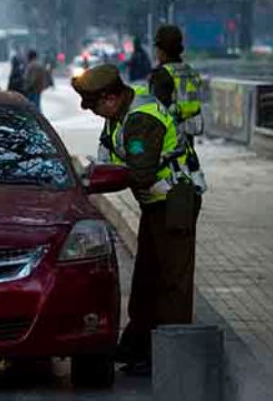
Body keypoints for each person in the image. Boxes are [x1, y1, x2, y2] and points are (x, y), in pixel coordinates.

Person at [72, 64, 200, 376]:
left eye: (95, 105)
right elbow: (110, 159)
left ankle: (171, 358)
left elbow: (139, 174)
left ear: (112, 97)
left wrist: (95, 183)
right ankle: (138, 346)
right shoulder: (120, 114)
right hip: (156, 205)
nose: (93, 113)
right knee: (146, 278)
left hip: (174, 203)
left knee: (172, 281)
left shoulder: (141, 120)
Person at [149, 25, 206, 191]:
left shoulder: (162, 74)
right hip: (189, 132)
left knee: (169, 183)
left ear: (161, 49)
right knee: (187, 173)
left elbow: (156, 111)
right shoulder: (190, 71)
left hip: (169, 137)